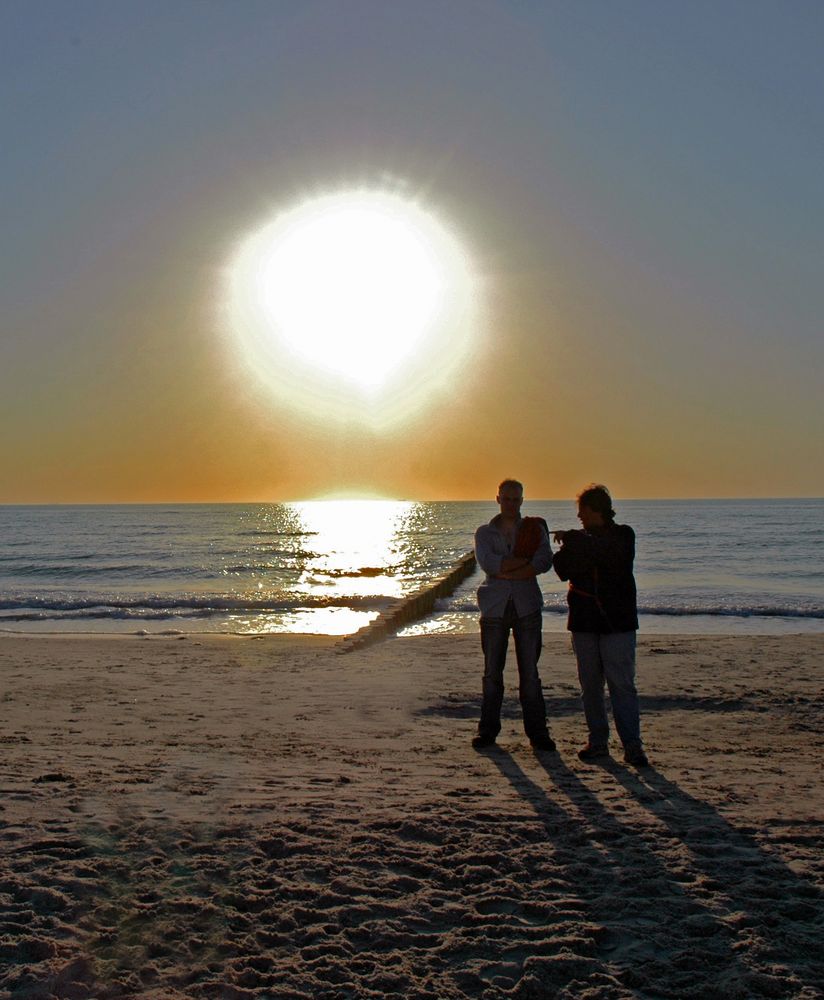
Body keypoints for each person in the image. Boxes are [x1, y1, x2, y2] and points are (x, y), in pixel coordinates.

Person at [553, 484, 648, 766]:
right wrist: (576, 545)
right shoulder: (580, 540)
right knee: (590, 686)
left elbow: (613, 558)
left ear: (596, 510)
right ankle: (598, 742)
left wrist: (578, 544)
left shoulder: (623, 534)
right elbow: (561, 568)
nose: (579, 516)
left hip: (617, 623)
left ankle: (632, 745)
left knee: (622, 685)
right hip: (584, 623)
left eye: (583, 510)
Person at [472, 479, 555, 751]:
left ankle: (538, 733)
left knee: (530, 673)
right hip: (494, 607)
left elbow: (543, 562)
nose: (511, 504)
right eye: (506, 499)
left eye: (516, 499)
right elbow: (489, 563)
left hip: (527, 606)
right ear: (498, 499)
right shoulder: (484, 533)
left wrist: (509, 570)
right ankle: (488, 731)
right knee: (492, 674)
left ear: (522, 500)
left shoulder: (534, 528)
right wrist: (522, 563)